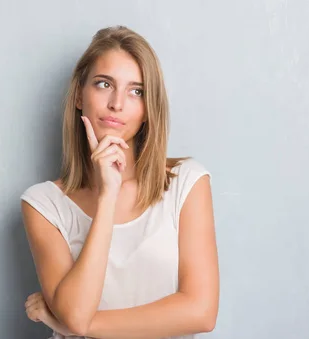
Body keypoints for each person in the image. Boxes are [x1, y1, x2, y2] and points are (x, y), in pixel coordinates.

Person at [20, 25, 219, 339]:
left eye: (136, 91)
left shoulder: (187, 183)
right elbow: (75, 312)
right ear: (78, 97)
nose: (117, 103)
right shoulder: (44, 204)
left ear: (147, 109)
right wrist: (107, 197)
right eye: (103, 84)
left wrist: (74, 325)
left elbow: (201, 312)